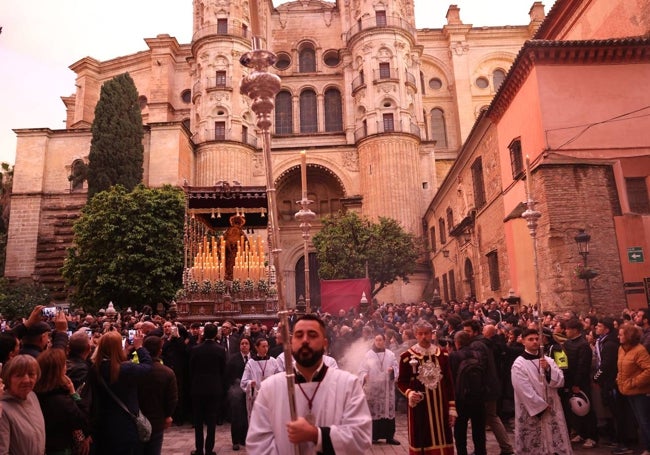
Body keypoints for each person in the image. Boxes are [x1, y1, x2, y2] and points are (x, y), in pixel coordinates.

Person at [246, 314, 372, 454]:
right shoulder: (270, 388)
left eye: (312, 335)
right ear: (291, 342)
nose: (305, 340)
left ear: (325, 344)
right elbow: (257, 443)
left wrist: (316, 435)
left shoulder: (349, 385)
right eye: (299, 335)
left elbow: (361, 437)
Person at [396, 319, 456, 455]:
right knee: (422, 439)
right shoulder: (407, 357)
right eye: (420, 333)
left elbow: (448, 382)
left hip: (441, 407)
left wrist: (452, 408)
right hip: (420, 408)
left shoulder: (442, 355)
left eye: (427, 333)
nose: (424, 336)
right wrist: (410, 393)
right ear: (416, 335)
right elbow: (401, 382)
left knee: (444, 439)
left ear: (432, 334)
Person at [88, 329, 153, 454]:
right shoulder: (125, 369)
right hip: (126, 425)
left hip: (103, 425)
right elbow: (147, 367)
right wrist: (139, 348)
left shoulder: (95, 368)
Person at [511, 328, 571, 455]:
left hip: (552, 406)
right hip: (534, 410)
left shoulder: (547, 360)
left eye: (537, 339)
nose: (534, 342)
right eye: (530, 339)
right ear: (523, 342)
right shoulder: (519, 364)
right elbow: (523, 389)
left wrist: (549, 369)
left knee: (553, 442)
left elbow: (560, 379)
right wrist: (541, 406)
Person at [34, 348, 89, 455]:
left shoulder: (34, 393)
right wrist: (74, 394)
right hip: (60, 448)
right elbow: (83, 420)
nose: (66, 367)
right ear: (58, 370)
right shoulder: (62, 401)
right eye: (64, 365)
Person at [189, 323, 227, 455]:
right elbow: (223, 369)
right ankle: (209, 450)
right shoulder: (221, 350)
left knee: (198, 421)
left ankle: (199, 450)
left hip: (198, 388)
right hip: (214, 388)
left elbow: (191, 369)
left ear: (203, 333)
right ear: (216, 333)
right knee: (211, 421)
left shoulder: (195, 349)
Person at [139, 335, 179, 455]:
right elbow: (172, 399)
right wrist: (168, 415)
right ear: (160, 351)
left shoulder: (135, 370)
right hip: (157, 419)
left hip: (137, 418)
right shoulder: (167, 372)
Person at [358, 333, 400, 445]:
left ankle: (389, 437)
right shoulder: (368, 355)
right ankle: (373, 436)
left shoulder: (390, 354)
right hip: (374, 389)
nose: (378, 342)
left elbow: (396, 368)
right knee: (374, 412)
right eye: (376, 340)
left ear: (385, 341)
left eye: (380, 340)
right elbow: (361, 370)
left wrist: (392, 370)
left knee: (388, 412)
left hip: (387, 388)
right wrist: (364, 376)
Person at [563, 317, 599, 448]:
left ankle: (592, 436)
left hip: (581, 383)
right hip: (569, 381)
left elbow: (582, 366)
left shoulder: (583, 345)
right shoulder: (567, 344)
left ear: (575, 330)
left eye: (568, 329)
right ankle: (581, 433)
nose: (565, 331)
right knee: (574, 409)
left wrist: (577, 383)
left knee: (586, 408)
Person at [449, 330, 486, 455]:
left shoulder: (454, 356)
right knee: (479, 431)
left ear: (456, 342)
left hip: (461, 398)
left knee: (460, 432)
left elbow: (452, 377)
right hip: (479, 396)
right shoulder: (478, 354)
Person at [0, 354, 46, 454]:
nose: (26, 380)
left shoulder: (32, 396)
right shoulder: (2, 409)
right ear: (8, 378)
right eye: (19, 375)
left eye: (31, 374)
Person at [616, 323, 650, 455]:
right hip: (627, 390)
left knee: (644, 421)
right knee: (639, 421)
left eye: (621, 334)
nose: (618, 336)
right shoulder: (621, 348)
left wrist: (634, 382)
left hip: (640, 392)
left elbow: (648, 369)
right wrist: (619, 378)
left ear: (629, 336)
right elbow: (621, 366)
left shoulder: (639, 350)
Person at [241, 337, 279, 419]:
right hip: (257, 396)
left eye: (267, 346)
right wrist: (250, 383)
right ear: (256, 347)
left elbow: (279, 376)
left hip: (271, 395)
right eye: (263, 346)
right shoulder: (251, 363)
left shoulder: (273, 361)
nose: (266, 349)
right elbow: (244, 382)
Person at [226, 336, 252, 451]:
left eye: (246, 343)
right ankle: (235, 440)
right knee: (237, 415)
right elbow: (227, 374)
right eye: (242, 344)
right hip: (236, 390)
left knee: (247, 415)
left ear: (250, 345)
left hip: (250, 390)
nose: (244, 346)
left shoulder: (254, 359)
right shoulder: (233, 358)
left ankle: (244, 438)